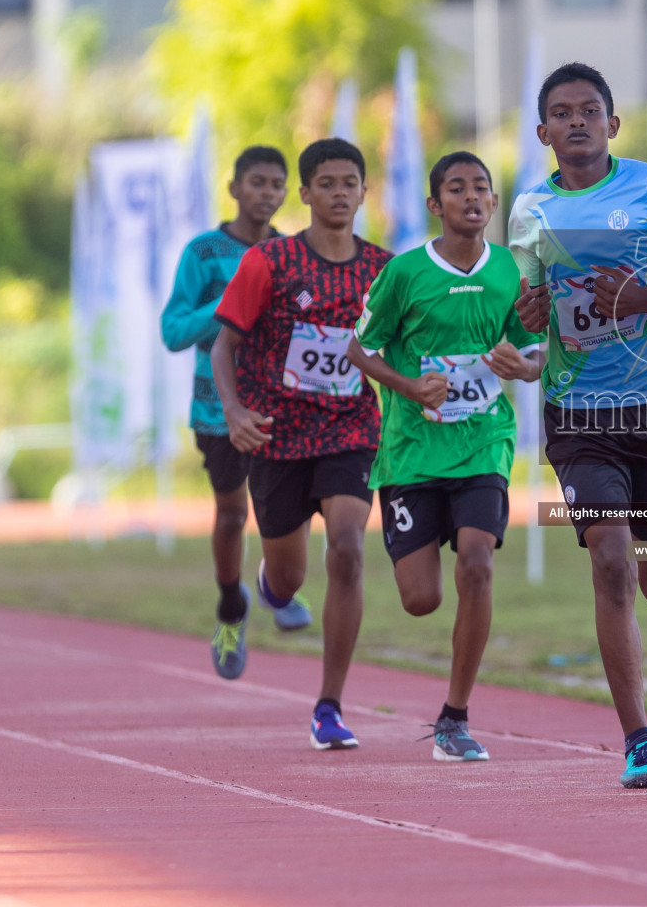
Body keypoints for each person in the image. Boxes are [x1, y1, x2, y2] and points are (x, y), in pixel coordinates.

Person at [510, 62, 647, 789]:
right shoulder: (530, 211)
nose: (576, 122)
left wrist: (641, 299)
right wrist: (529, 314)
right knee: (610, 560)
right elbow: (525, 305)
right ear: (543, 132)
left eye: (589, 110)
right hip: (579, 415)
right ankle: (639, 737)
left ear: (613, 124)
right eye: (561, 113)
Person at [346, 151, 544, 761]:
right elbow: (358, 349)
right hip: (410, 453)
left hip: (484, 442)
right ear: (435, 204)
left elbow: (537, 355)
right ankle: (422, 549)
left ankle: (454, 718)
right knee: (420, 599)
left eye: (481, 188)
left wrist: (526, 367)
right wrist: (409, 387)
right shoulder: (406, 273)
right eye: (456, 189)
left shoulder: (512, 272)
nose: (472, 197)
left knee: (478, 564)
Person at [211, 137, 392, 750]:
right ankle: (271, 584)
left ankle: (329, 706)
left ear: (364, 193)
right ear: (307, 193)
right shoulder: (271, 262)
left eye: (351, 182)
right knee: (288, 581)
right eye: (328, 183)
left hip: (351, 430)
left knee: (347, 548)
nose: (340, 193)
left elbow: (408, 345)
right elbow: (224, 344)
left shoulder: (384, 270)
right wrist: (234, 410)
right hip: (276, 435)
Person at [160, 145, 313, 681]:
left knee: (287, 509)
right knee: (232, 515)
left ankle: (280, 586)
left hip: (281, 405)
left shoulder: (294, 252)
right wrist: (230, 301)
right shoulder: (204, 253)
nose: (266, 193)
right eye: (257, 183)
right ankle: (231, 608)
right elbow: (174, 331)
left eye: (276, 185)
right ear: (234, 188)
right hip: (218, 410)